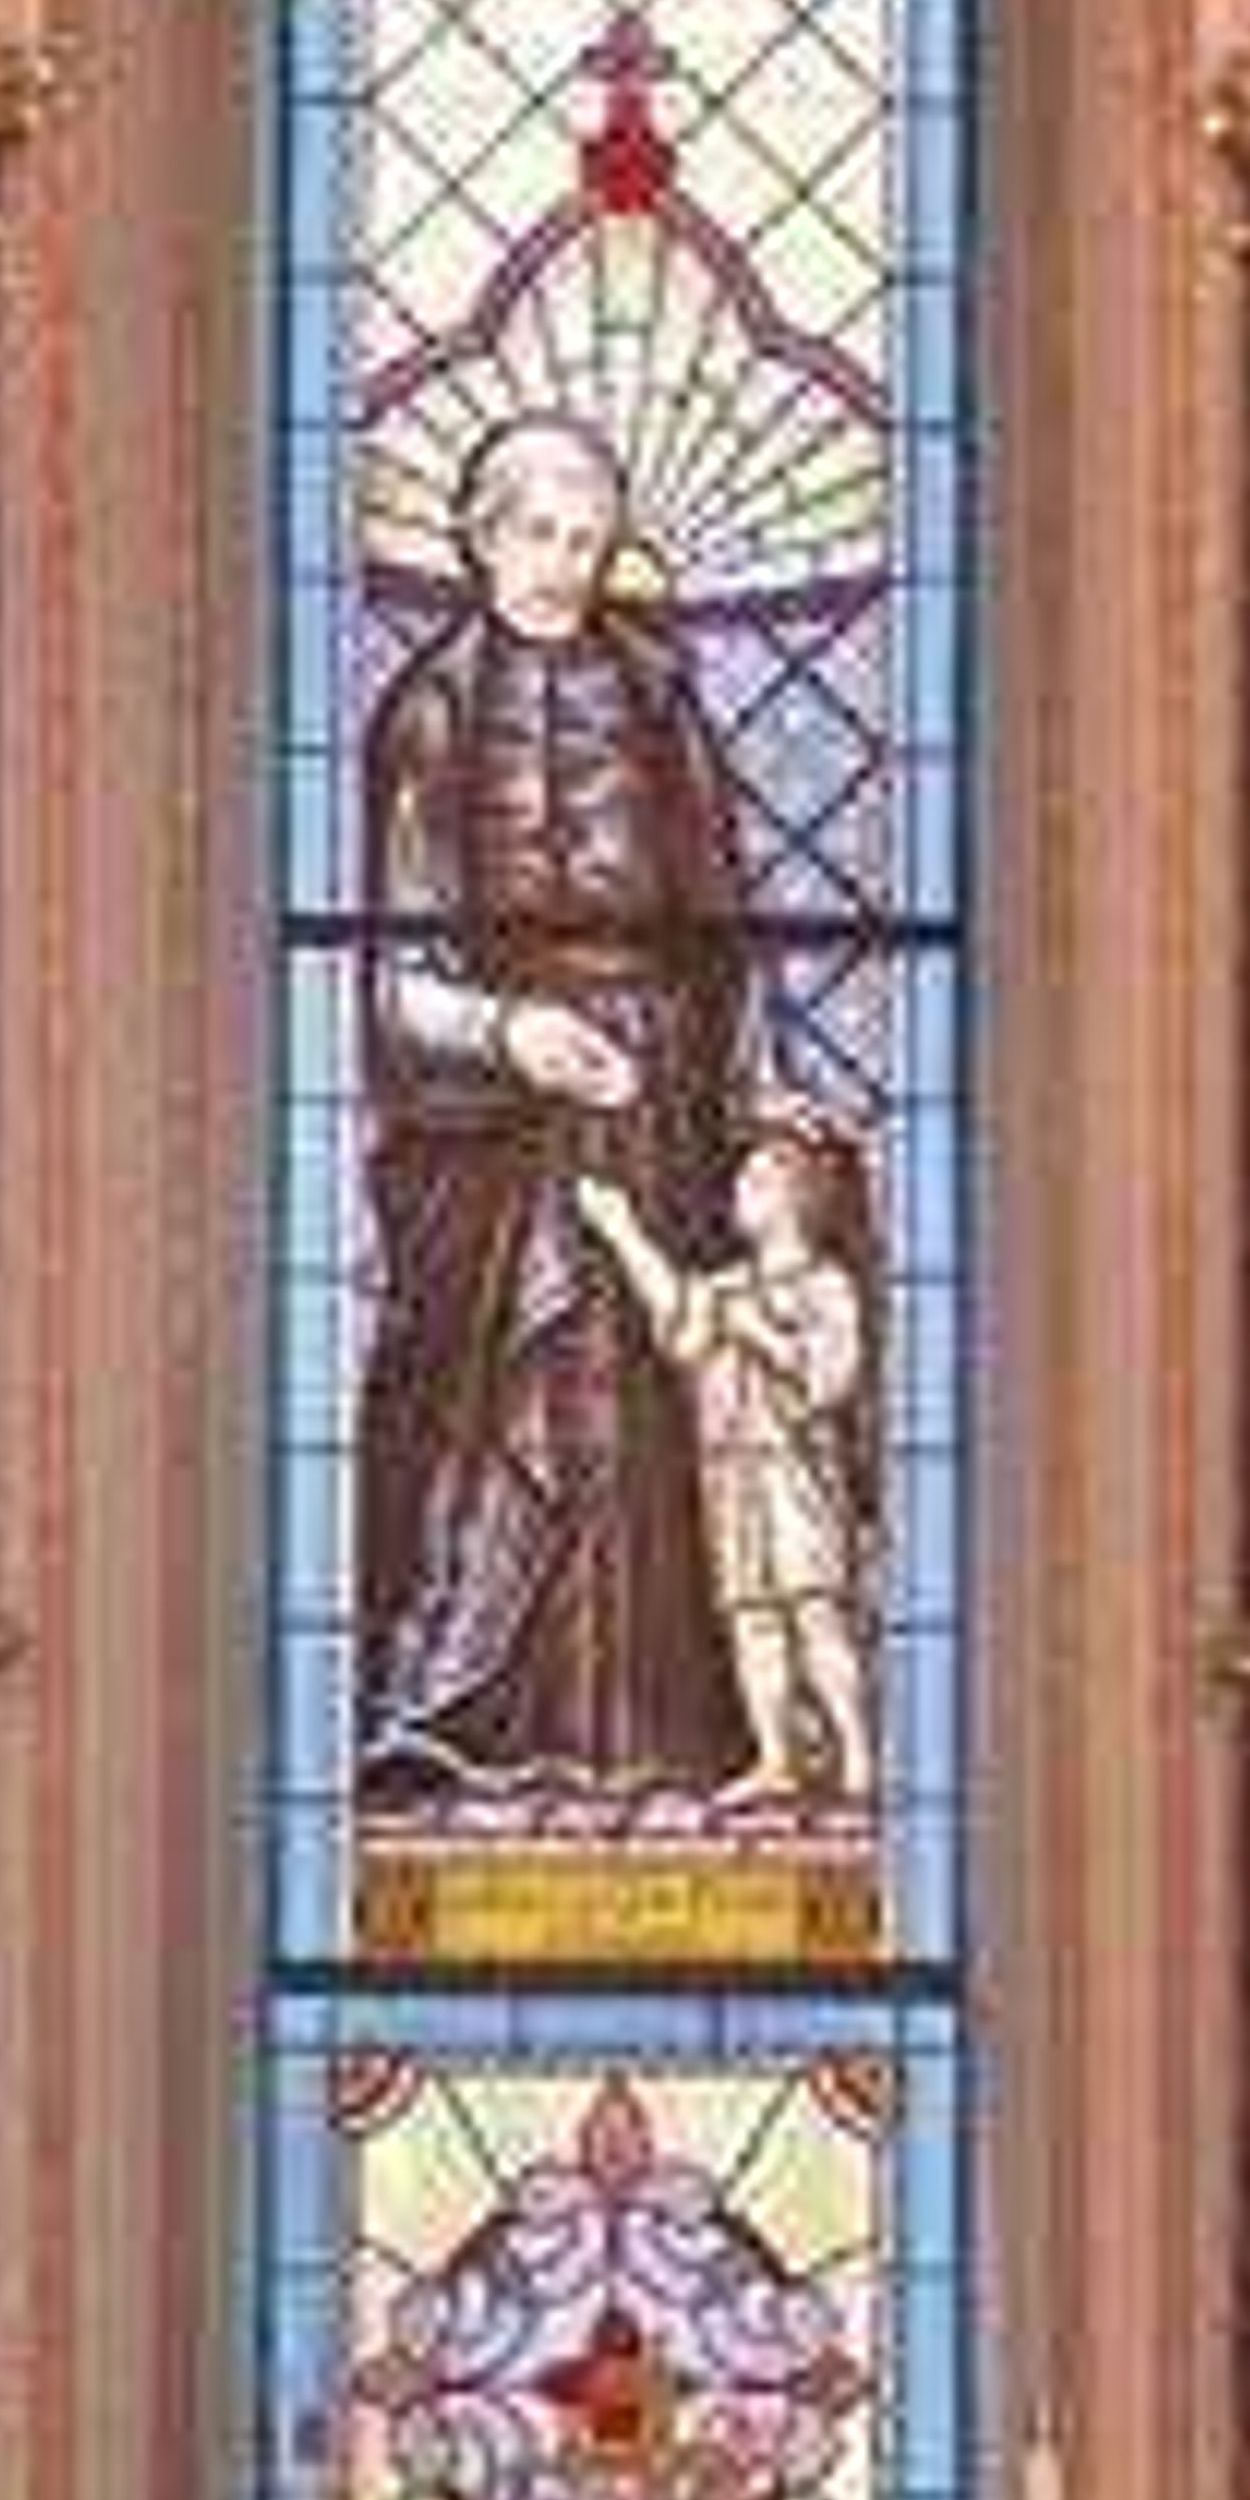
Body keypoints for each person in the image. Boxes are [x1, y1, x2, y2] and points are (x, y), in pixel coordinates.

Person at [358, 408, 764, 1813]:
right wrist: (510, 1033)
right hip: (489, 1122)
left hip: (650, 1090)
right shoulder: (428, 706)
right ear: (477, 537)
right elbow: (387, 978)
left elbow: (722, 919)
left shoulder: (657, 693)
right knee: (512, 1391)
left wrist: (745, 1095)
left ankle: (656, 1738)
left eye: (590, 538)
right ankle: (452, 1709)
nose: (565, 562)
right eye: (538, 532)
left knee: (644, 1392)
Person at [576, 1107, 881, 1810]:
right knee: (752, 1620)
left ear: (798, 1198)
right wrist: (622, 1232)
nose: (740, 1187)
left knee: (816, 1613)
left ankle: (859, 1754)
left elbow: (828, 1381)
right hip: (730, 1473)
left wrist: (758, 1333)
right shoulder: (724, 1286)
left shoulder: (825, 1286)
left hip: (795, 1474)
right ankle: (775, 1758)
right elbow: (679, 1325)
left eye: (758, 1178)